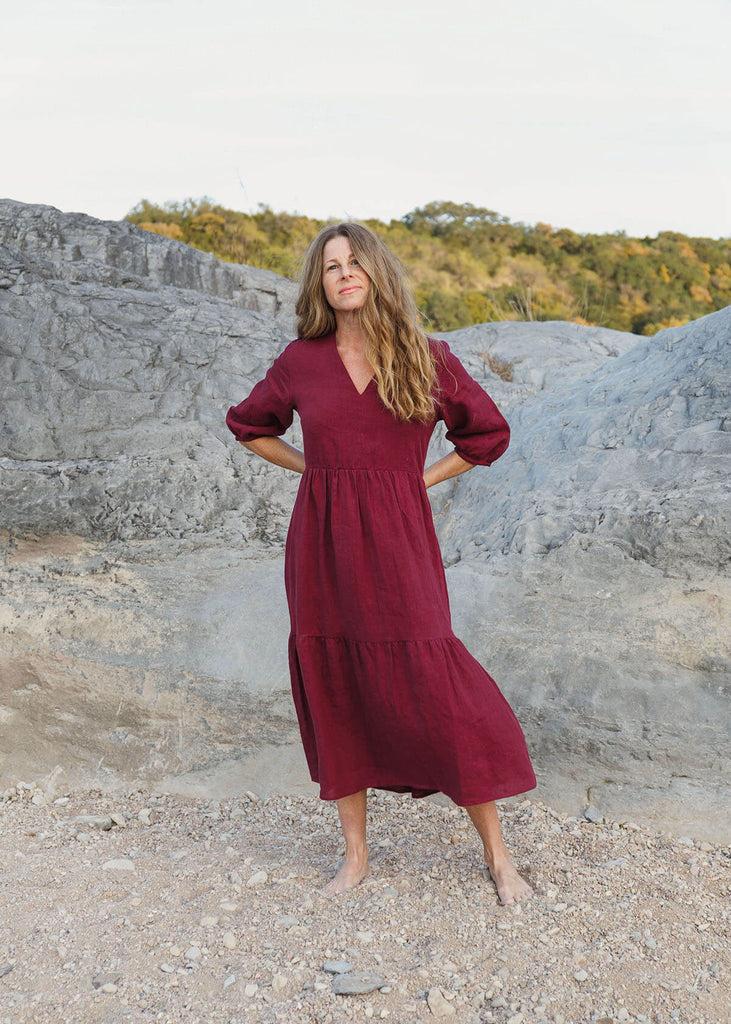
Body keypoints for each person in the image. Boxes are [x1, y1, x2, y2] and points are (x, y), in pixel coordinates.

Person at [226, 222, 536, 904]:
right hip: (322, 541)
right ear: (320, 282)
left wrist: (414, 480)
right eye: (330, 265)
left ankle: (498, 855)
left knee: (431, 670)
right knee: (333, 673)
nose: (342, 273)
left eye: (353, 261)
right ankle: (356, 857)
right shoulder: (300, 361)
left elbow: (486, 434)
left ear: (376, 271)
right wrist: (317, 470)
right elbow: (249, 425)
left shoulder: (427, 356)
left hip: (399, 539)